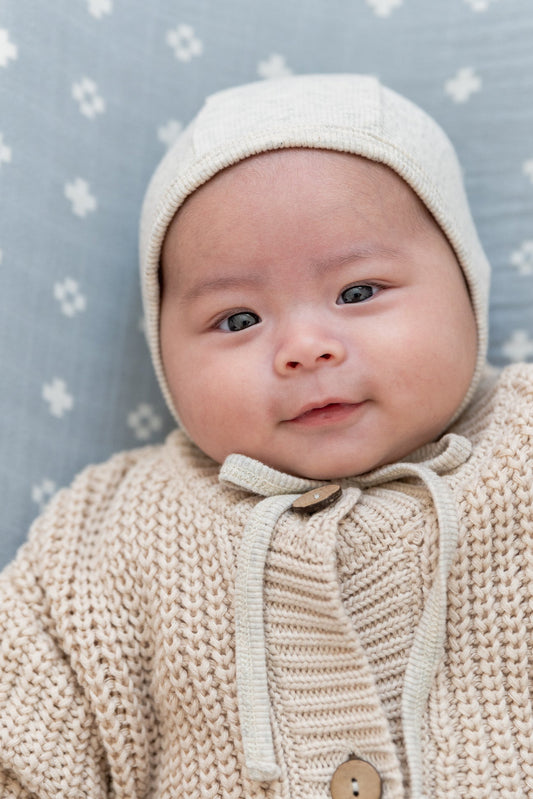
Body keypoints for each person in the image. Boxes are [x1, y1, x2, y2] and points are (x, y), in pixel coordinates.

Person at [0, 74, 531, 799]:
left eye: (357, 292)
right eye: (238, 319)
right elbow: (23, 745)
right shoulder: (108, 531)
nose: (305, 346)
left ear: (467, 290)